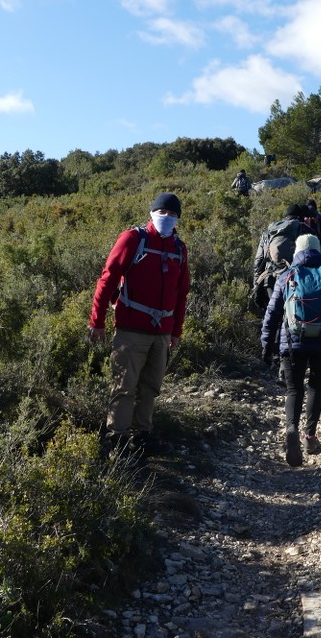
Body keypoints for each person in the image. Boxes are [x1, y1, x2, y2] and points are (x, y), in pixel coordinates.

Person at [88, 192, 190, 457]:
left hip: (161, 333)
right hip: (131, 331)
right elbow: (107, 280)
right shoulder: (133, 239)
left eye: (172, 213)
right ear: (152, 213)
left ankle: (142, 437)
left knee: (150, 388)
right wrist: (96, 321)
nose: (166, 217)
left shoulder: (179, 249)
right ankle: (117, 441)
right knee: (124, 387)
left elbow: (182, 294)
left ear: (178, 217)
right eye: (162, 212)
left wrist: (175, 331)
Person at [260, 234, 321, 467]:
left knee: (293, 389)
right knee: (315, 387)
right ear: (318, 251)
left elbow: (272, 314)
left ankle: (292, 430)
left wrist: (267, 345)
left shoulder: (287, 276)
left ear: (297, 251)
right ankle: (310, 438)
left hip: (292, 342)